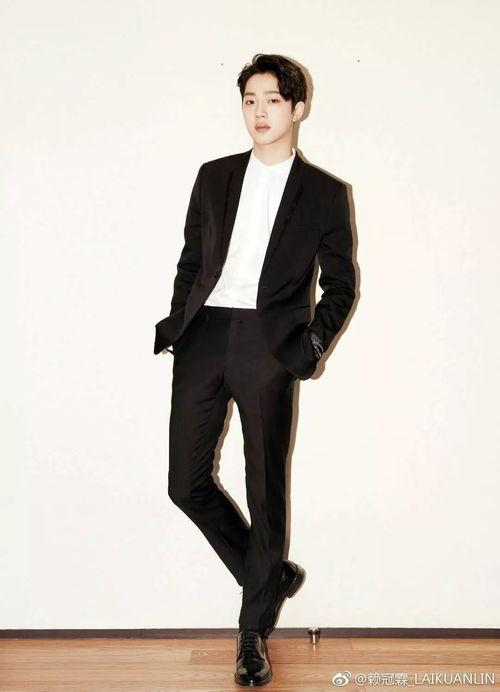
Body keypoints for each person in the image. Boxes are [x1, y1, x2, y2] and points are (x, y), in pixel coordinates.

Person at [153, 53, 356, 687]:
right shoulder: (213, 176)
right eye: (250, 100)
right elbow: (192, 259)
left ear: (298, 108)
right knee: (184, 483)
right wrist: (180, 324)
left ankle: (250, 634)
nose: (260, 111)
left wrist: (308, 347)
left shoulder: (325, 193)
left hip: (270, 347)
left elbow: (342, 285)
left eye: (272, 100)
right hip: (205, 337)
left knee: (265, 488)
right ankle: (268, 578)